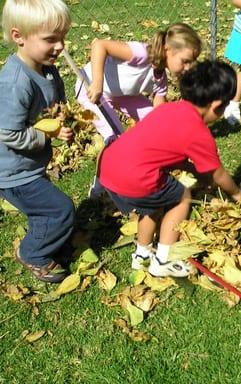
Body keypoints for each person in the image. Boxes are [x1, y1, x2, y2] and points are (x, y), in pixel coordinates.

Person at [98, 60, 241, 278]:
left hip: (110, 168)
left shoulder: (169, 108)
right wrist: (238, 195)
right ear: (216, 106)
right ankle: (164, 259)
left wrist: (191, 168)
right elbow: (219, 175)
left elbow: (159, 148)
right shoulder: (198, 132)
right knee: (181, 197)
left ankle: (141, 255)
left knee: (151, 206)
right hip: (136, 179)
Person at [0, 0, 74, 283]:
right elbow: (8, 133)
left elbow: (56, 104)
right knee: (60, 210)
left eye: (63, 37)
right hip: (12, 173)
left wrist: (64, 119)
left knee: (44, 209)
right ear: (18, 36)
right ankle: (33, 253)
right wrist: (48, 135)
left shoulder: (48, 69)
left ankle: (44, 233)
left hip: (29, 164)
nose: (60, 46)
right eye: (50, 39)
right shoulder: (15, 82)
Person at [76, 22, 202, 143]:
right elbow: (99, 45)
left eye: (192, 62)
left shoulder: (160, 79)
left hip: (121, 94)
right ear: (167, 49)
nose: (188, 67)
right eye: (185, 61)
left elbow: (159, 116)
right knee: (115, 135)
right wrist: (98, 83)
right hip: (90, 86)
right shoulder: (140, 53)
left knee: (156, 123)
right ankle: (113, 158)